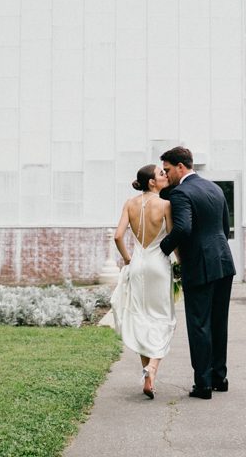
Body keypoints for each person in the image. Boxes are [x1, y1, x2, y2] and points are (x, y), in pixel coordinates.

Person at [158, 146, 236, 399]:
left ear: (181, 167)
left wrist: (161, 249)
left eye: (168, 170)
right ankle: (219, 378)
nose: (166, 175)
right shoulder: (214, 189)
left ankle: (202, 384)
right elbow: (223, 228)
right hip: (223, 262)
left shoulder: (181, 193)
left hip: (200, 265)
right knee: (218, 322)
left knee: (199, 324)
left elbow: (182, 228)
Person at [109, 164, 177, 399]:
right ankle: (152, 368)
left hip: (136, 264)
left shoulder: (130, 203)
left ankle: (149, 376)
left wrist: (128, 259)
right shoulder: (166, 204)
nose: (165, 176)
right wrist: (179, 264)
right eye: (161, 174)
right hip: (158, 264)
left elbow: (118, 236)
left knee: (141, 317)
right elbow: (172, 238)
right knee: (163, 318)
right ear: (151, 182)